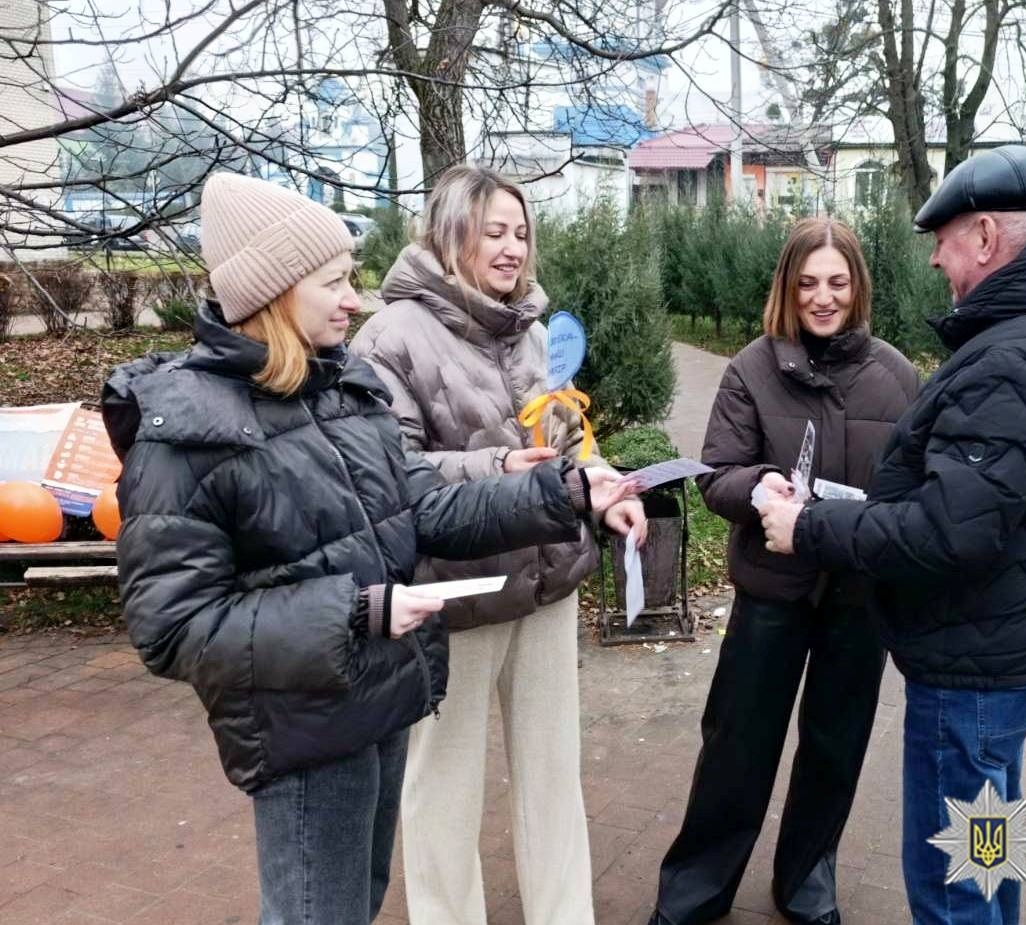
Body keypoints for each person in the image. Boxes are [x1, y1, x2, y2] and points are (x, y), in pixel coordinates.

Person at [101, 172, 635, 925]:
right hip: (304, 730)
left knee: (356, 902)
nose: (355, 299)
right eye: (335, 281)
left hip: (378, 698)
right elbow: (171, 626)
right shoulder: (185, 432)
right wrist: (357, 613)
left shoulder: (340, 387)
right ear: (277, 291)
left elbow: (421, 504)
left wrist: (568, 494)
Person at [757, 146, 1026, 924]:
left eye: (942, 238)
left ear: (984, 237)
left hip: (969, 666)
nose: (933, 256)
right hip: (1008, 648)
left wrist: (810, 525)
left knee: (952, 891)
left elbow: (949, 531)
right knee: (986, 858)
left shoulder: (1015, 356)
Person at [351, 165, 645, 925]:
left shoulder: (535, 331)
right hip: (457, 594)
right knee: (443, 785)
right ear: (451, 233)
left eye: (521, 233)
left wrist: (601, 490)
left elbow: (567, 441)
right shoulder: (389, 337)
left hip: (547, 580)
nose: (513, 249)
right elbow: (390, 473)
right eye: (495, 232)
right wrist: (497, 467)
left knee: (553, 774)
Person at [649, 217, 921, 925]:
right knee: (736, 745)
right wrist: (760, 485)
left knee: (834, 747)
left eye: (836, 282)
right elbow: (717, 474)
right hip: (772, 592)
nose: (822, 297)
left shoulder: (896, 378)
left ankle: (805, 881)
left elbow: (914, 489)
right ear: (786, 289)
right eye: (807, 283)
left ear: (857, 285)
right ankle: (694, 888)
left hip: (857, 597)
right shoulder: (750, 369)